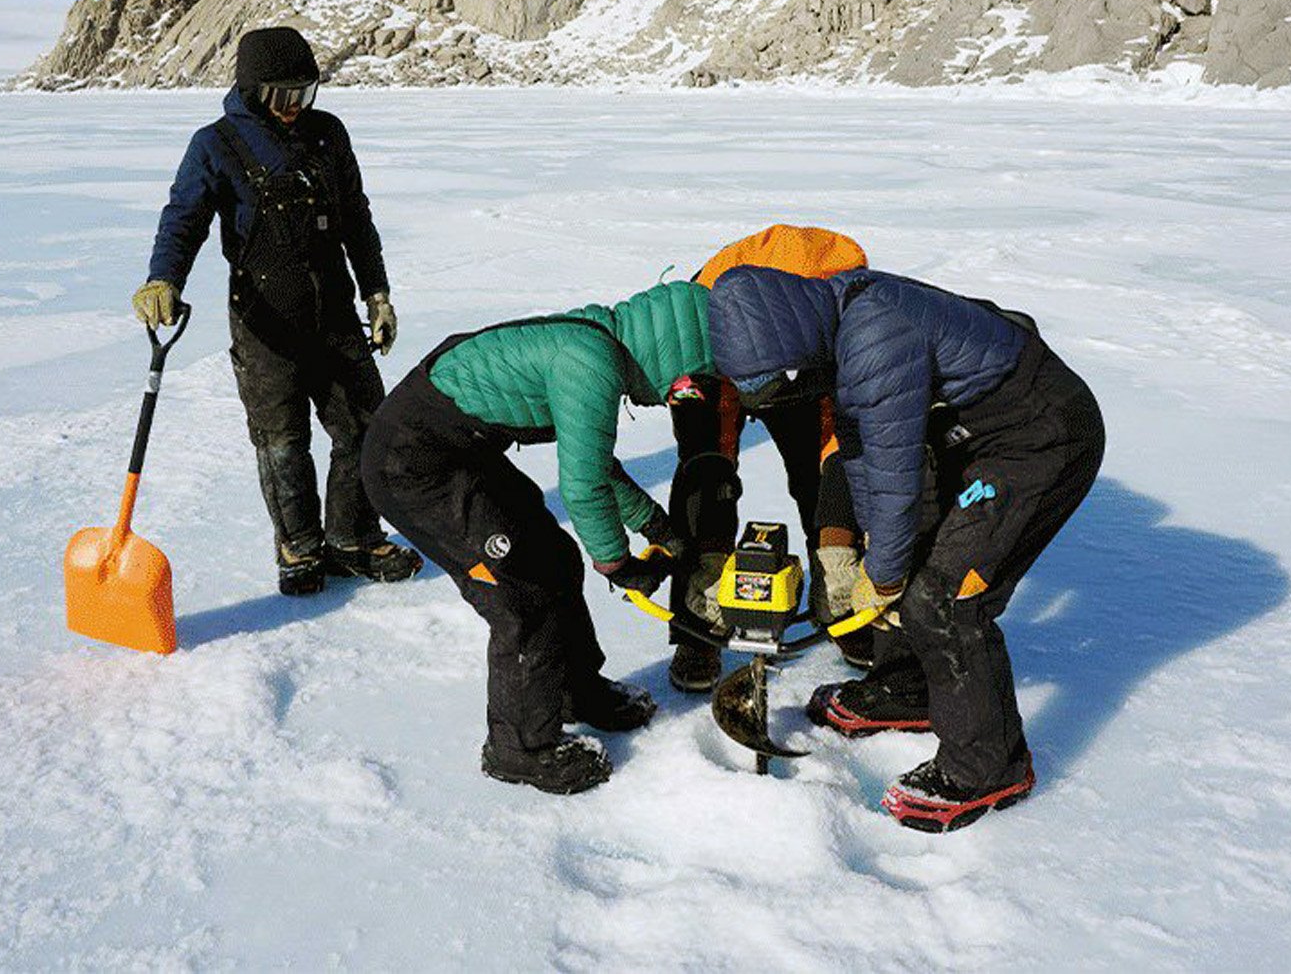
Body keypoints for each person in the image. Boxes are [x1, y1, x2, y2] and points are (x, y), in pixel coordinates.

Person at [707, 265, 1104, 832]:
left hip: (1039, 439)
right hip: (976, 439)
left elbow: (895, 471)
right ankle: (911, 690)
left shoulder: (873, 336)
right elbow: (867, 458)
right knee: (902, 554)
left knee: (945, 599)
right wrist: (875, 553)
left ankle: (987, 767)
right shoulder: (839, 333)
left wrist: (887, 575)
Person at [361, 281, 712, 794]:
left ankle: (576, 691)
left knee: (553, 556)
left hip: (462, 452)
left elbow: (591, 461)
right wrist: (618, 562)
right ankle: (519, 748)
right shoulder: (589, 363)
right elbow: (583, 484)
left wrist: (656, 527)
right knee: (520, 594)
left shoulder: (596, 348)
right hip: (414, 466)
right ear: (673, 353)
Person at [131, 26, 419, 596]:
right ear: (251, 90)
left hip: (334, 312)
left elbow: (356, 218)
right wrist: (163, 278)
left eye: (304, 94)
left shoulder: (328, 134)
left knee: (366, 425)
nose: (294, 109)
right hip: (266, 320)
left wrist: (377, 293)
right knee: (281, 439)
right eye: (282, 97)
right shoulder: (215, 144)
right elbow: (183, 217)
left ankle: (353, 540)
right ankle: (300, 548)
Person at [662, 225, 872, 693]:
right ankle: (700, 621)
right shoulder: (698, 326)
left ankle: (838, 597)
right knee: (705, 472)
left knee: (825, 470)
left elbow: (839, 443)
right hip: (715, 360)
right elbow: (708, 456)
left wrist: (840, 546)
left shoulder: (841, 312)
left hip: (801, 359)